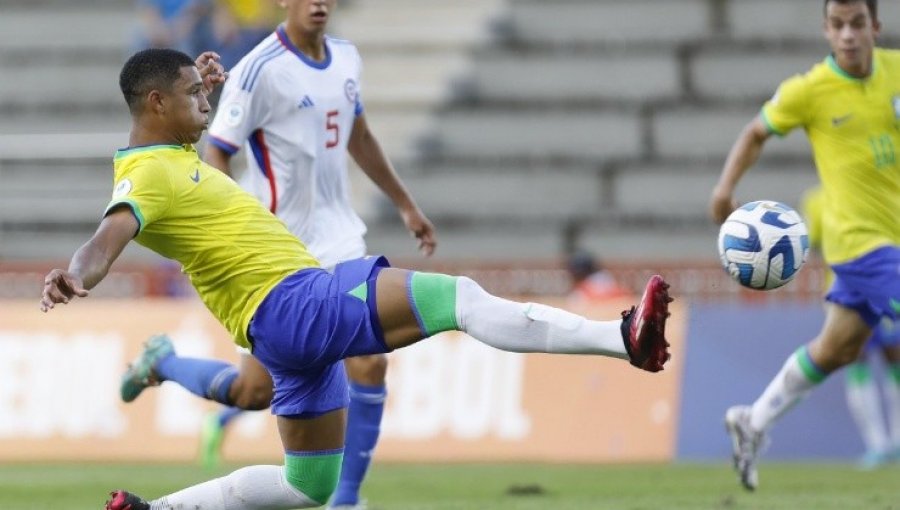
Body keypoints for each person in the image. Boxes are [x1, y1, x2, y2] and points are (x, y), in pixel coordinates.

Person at [40, 47, 673, 510]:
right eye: (192, 96)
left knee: (305, 485)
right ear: (156, 103)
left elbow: (177, 146)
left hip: (277, 330)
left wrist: (197, 86)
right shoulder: (143, 176)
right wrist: (76, 275)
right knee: (457, 297)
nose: (207, 101)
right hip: (293, 302)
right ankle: (623, 338)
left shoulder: (171, 153)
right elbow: (109, 233)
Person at [118, 1, 437, 507]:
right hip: (269, 248)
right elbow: (219, 147)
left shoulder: (347, 58)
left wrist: (405, 204)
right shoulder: (256, 68)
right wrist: (226, 228)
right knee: (252, 392)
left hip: (336, 236)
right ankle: (165, 364)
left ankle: (347, 498)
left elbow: (360, 134)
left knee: (370, 365)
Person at [709, 0, 900, 491]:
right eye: (838, 26)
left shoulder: (898, 72)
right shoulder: (809, 90)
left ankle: (753, 420)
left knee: (836, 350)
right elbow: (755, 133)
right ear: (826, 31)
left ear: (875, 26)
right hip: (860, 247)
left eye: (858, 24)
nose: (849, 35)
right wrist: (724, 190)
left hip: (893, 240)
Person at [803, 187, 900, 469]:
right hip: (843, 292)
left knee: (894, 356)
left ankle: (896, 440)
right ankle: (877, 445)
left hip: (884, 283)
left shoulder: (878, 185)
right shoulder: (816, 200)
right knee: (856, 359)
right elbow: (812, 245)